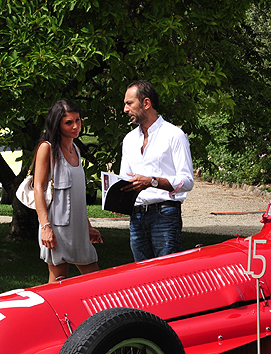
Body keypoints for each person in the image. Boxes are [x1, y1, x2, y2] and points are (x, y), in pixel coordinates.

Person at [119, 80, 194, 261]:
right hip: (136, 216)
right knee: (142, 277)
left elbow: (187, 181)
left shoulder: (174, 135)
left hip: (165, 215)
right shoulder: (129, 140)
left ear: (146, 103)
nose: (125, 110)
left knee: (167, 277)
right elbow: (124, 178)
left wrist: (152, 181)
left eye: (129, 103)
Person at [34, 100, 103, 283]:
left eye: (78, 120)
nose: (75, 126)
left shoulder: (76, 150)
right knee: (58, 282)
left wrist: (87, 226)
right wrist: (45, 227)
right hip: (56, 227)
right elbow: (38, 189)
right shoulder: (47, 148)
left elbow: (76, 195)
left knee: (95, 281)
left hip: (78, 227)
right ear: (57, 124)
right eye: (69, 122)